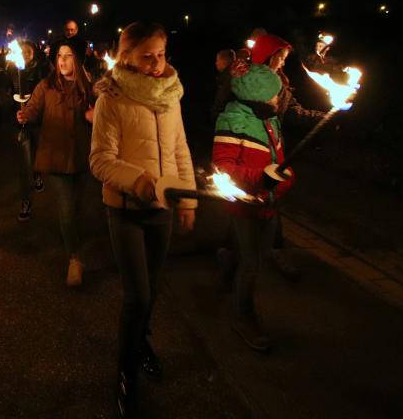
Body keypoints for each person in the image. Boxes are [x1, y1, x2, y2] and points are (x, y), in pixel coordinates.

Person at [90, 21, 197, 417]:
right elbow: (100, 160)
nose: (155, 63)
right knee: (137, 296)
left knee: (152, 290)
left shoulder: (171, 96)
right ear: (126, 56)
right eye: (146, 55)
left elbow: (180, 149)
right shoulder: (112, 99)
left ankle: (142, 340)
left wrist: (187, 201)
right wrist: (140, 181)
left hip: (162, 211)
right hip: (126, 211)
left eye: (161, 54)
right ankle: (125, 372)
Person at [213, 60, 294, 351]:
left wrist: (282, 181)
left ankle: (226, 260)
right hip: (245, 207)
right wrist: (261, 178)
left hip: (269, 205)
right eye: (273, 94)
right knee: (252, 264)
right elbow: (222, 168)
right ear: (257, 95)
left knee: (254, 255)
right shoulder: (233, 119)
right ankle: (243, 316)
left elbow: (281, 162)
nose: (277, 99)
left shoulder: (271, 121)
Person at [248, 33, 325, 281]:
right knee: (251, 198)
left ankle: (268, 248)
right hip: (251, 147)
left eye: (283, 58)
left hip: (273, 148)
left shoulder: (281, 82)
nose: (282, 63)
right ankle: (240, 251)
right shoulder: (247, 81)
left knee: (269, 198)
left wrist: (321, 117)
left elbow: (293, 112)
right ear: (266, 56)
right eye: (279, 57)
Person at [17, 38, 94, 284]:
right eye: (59, 55)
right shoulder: (46, 85)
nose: (62, 60)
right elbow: (33, 109)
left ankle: (74, 237)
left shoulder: (90, 87)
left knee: (79, 206)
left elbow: (103, 114)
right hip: (57, 155)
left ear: (78, 59)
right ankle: (74, 258)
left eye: (68, 55)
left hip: (83, 155)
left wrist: (96, 115)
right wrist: (24, 114)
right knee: (66, 207)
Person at [8, 40, 50, 221]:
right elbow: (7, 90)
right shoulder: (12, 70)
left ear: (34, 52)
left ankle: (38, 174)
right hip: (22, 123)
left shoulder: (42, 69)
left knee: (37, 153)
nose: (24, 54)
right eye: (22, 51)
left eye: (28, 51)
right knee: (24, 162)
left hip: (39, 121)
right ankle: (25, 200)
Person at [210, 48, 237, 121]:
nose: (216, 63)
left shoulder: (227, 77)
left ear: (223, 61)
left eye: (217, 60)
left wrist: (215, 115)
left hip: (225, 118)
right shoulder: (237, 74)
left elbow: (222, 99)